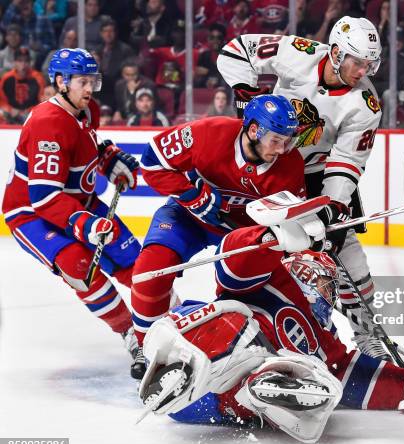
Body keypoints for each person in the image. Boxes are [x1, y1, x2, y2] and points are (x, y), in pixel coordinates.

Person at [136, 224, 404, 443]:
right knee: (238, 320)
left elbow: (357, 376)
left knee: (324, 384)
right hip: (192, 367)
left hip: (216, 408)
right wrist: (271, 237)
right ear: (300, 270)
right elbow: (233, 263)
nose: (328, 292)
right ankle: (204, 366)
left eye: (329, 287)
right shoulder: (269, 283)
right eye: (323, 281)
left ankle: (261, 389)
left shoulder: (323, 339)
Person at [217, 17, 389, 360]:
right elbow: (235, 51)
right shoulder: (299, 53)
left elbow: (346, 162)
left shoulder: (365, 104)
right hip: (275, 164)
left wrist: (333, 205)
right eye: (357, 62)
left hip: (318, 174)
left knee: (348, 255)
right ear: (337, 53)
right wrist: (245, 92)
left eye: (370, 64)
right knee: (264, 246)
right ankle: (246, 317)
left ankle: (367, 335)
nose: (363, 71)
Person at [130, 94, 307, 378]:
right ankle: (145, 346)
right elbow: (151, 161)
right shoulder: (208, 133)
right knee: (149, 272)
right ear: (253, 130)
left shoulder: (290, 165)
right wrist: (191, 194)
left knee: (239, 294)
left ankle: (228, 345)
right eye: (276, 140)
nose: (283, 149)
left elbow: (289, 220)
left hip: (243, 233)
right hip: (187, 217)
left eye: (288, 140)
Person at [0, 48, 142, 377]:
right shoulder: (47, 123)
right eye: (82, 81)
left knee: (132, 258)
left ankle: (169, 314)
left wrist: (109, 159)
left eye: (93, 80)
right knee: (79, 267)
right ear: (61, 82)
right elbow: (45, 197)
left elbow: (87, 145)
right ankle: (130, 332)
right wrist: (85, 224)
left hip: (80, 200)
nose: (90, 88)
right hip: (31, 213)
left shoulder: (86, 107)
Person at [0, 47, 46, 124]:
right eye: (20, 61)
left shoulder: (38, 77)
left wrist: (27, 111)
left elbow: (42, 101)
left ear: (30, 62)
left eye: (26, 61)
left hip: (31, 114)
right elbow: (1, 100)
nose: (23, 64)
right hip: (10, 114)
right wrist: (10, 109)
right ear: (14, 62)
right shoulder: (7, 78)